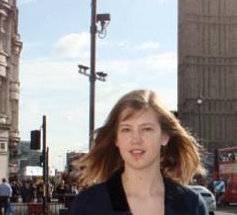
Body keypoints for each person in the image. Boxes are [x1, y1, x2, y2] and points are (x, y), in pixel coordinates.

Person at [70, 89, 208, 215]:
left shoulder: (191, 205)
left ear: (164, 137)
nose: (136, 139)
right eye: (126, 129)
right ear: (116, 139)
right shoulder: (88, 205)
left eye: (146, 129)